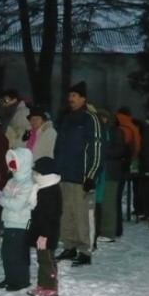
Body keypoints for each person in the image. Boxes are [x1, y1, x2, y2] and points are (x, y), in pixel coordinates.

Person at [54, 81, 104, 266]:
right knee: (65, 214)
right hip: (64, 175)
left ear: (83, 98)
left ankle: (85, 249)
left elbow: (97, 148)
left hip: (81, 176)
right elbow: (59, 147)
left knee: (82, 215)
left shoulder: (91, 119)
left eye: (74, 96)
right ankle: (69, 245)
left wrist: (91, 174)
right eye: (69, 96)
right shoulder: (67, 119)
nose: (70, 99)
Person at [0, 148, 34, 292]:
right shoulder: (12, 181)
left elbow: (17, 204)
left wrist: (1, 199)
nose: (12, 167)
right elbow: (5, 194)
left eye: (15, 164)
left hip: (21, 223)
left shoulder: (28, 183)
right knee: (7, 253)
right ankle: (10, 277)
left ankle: (20, 280)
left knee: (17, 254)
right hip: (10, 222)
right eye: (11, 164)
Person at [26, 157, 62, 296]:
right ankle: (42, 284)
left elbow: (51, 215)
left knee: (47, 259)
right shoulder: (41, 188)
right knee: (41, 259)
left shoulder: (51, 190)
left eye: (37, 173)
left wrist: (44, 235)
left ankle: (51, 285)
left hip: (47, 233)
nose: (35, 175)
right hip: (40, 231)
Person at [95, 109, 127, 244]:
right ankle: (101, 230)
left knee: (109, 203)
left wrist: (102, 152)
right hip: (101, 173)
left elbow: (119, 150)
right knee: (100, 203)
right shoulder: (97, 132)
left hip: (111, 172)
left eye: (104, 117)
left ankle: (109, 232)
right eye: (100, 117)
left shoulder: (116, 132)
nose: (102, 120)